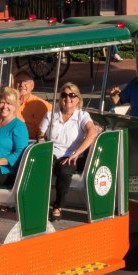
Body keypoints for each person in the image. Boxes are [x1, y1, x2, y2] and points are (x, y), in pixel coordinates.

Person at [46, 82, 101, 215]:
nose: (68, 98)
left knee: (65, 169)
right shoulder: (52, 114)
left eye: (72, 95)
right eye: (64, 95)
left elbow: (92, 132)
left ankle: (58, 205)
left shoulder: (82, 116)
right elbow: (40, 134)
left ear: (78, 99)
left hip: (72, 155)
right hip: (52, 153)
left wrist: (76, 153)